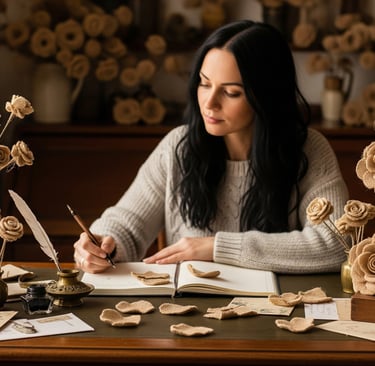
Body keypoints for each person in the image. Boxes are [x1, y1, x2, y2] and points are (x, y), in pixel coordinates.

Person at [73, 20, 349, 274]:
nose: (209, 102)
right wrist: (102, 242)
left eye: (231, 92)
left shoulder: (308, 150)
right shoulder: (178, 147)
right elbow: (127, 223)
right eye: (204, 84)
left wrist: (215, 248)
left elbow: (337, 243)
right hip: (189, 314)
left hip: (279, 313)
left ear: (267, 96)